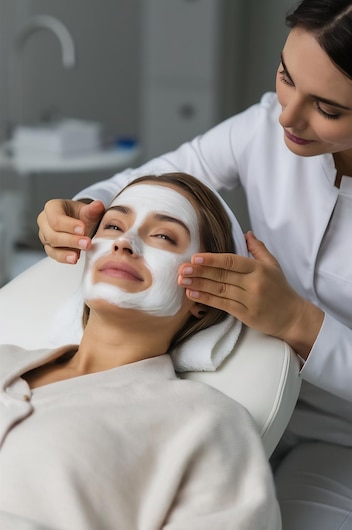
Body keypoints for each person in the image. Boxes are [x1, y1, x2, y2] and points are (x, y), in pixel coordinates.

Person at [37, 0, 352, 528]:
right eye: (285, 76)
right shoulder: (264, 128)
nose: (288, 115)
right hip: (238, 391)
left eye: (328, 108)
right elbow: (148, 183)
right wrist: (83, 210)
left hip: (339, 440)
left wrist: (299, 323)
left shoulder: (199, 427)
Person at [0, 173, 280, 530]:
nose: (125, 242)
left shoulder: (204, 421)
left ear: (205, 294)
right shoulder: (4, 357)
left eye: (163, 236)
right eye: (113, 226)